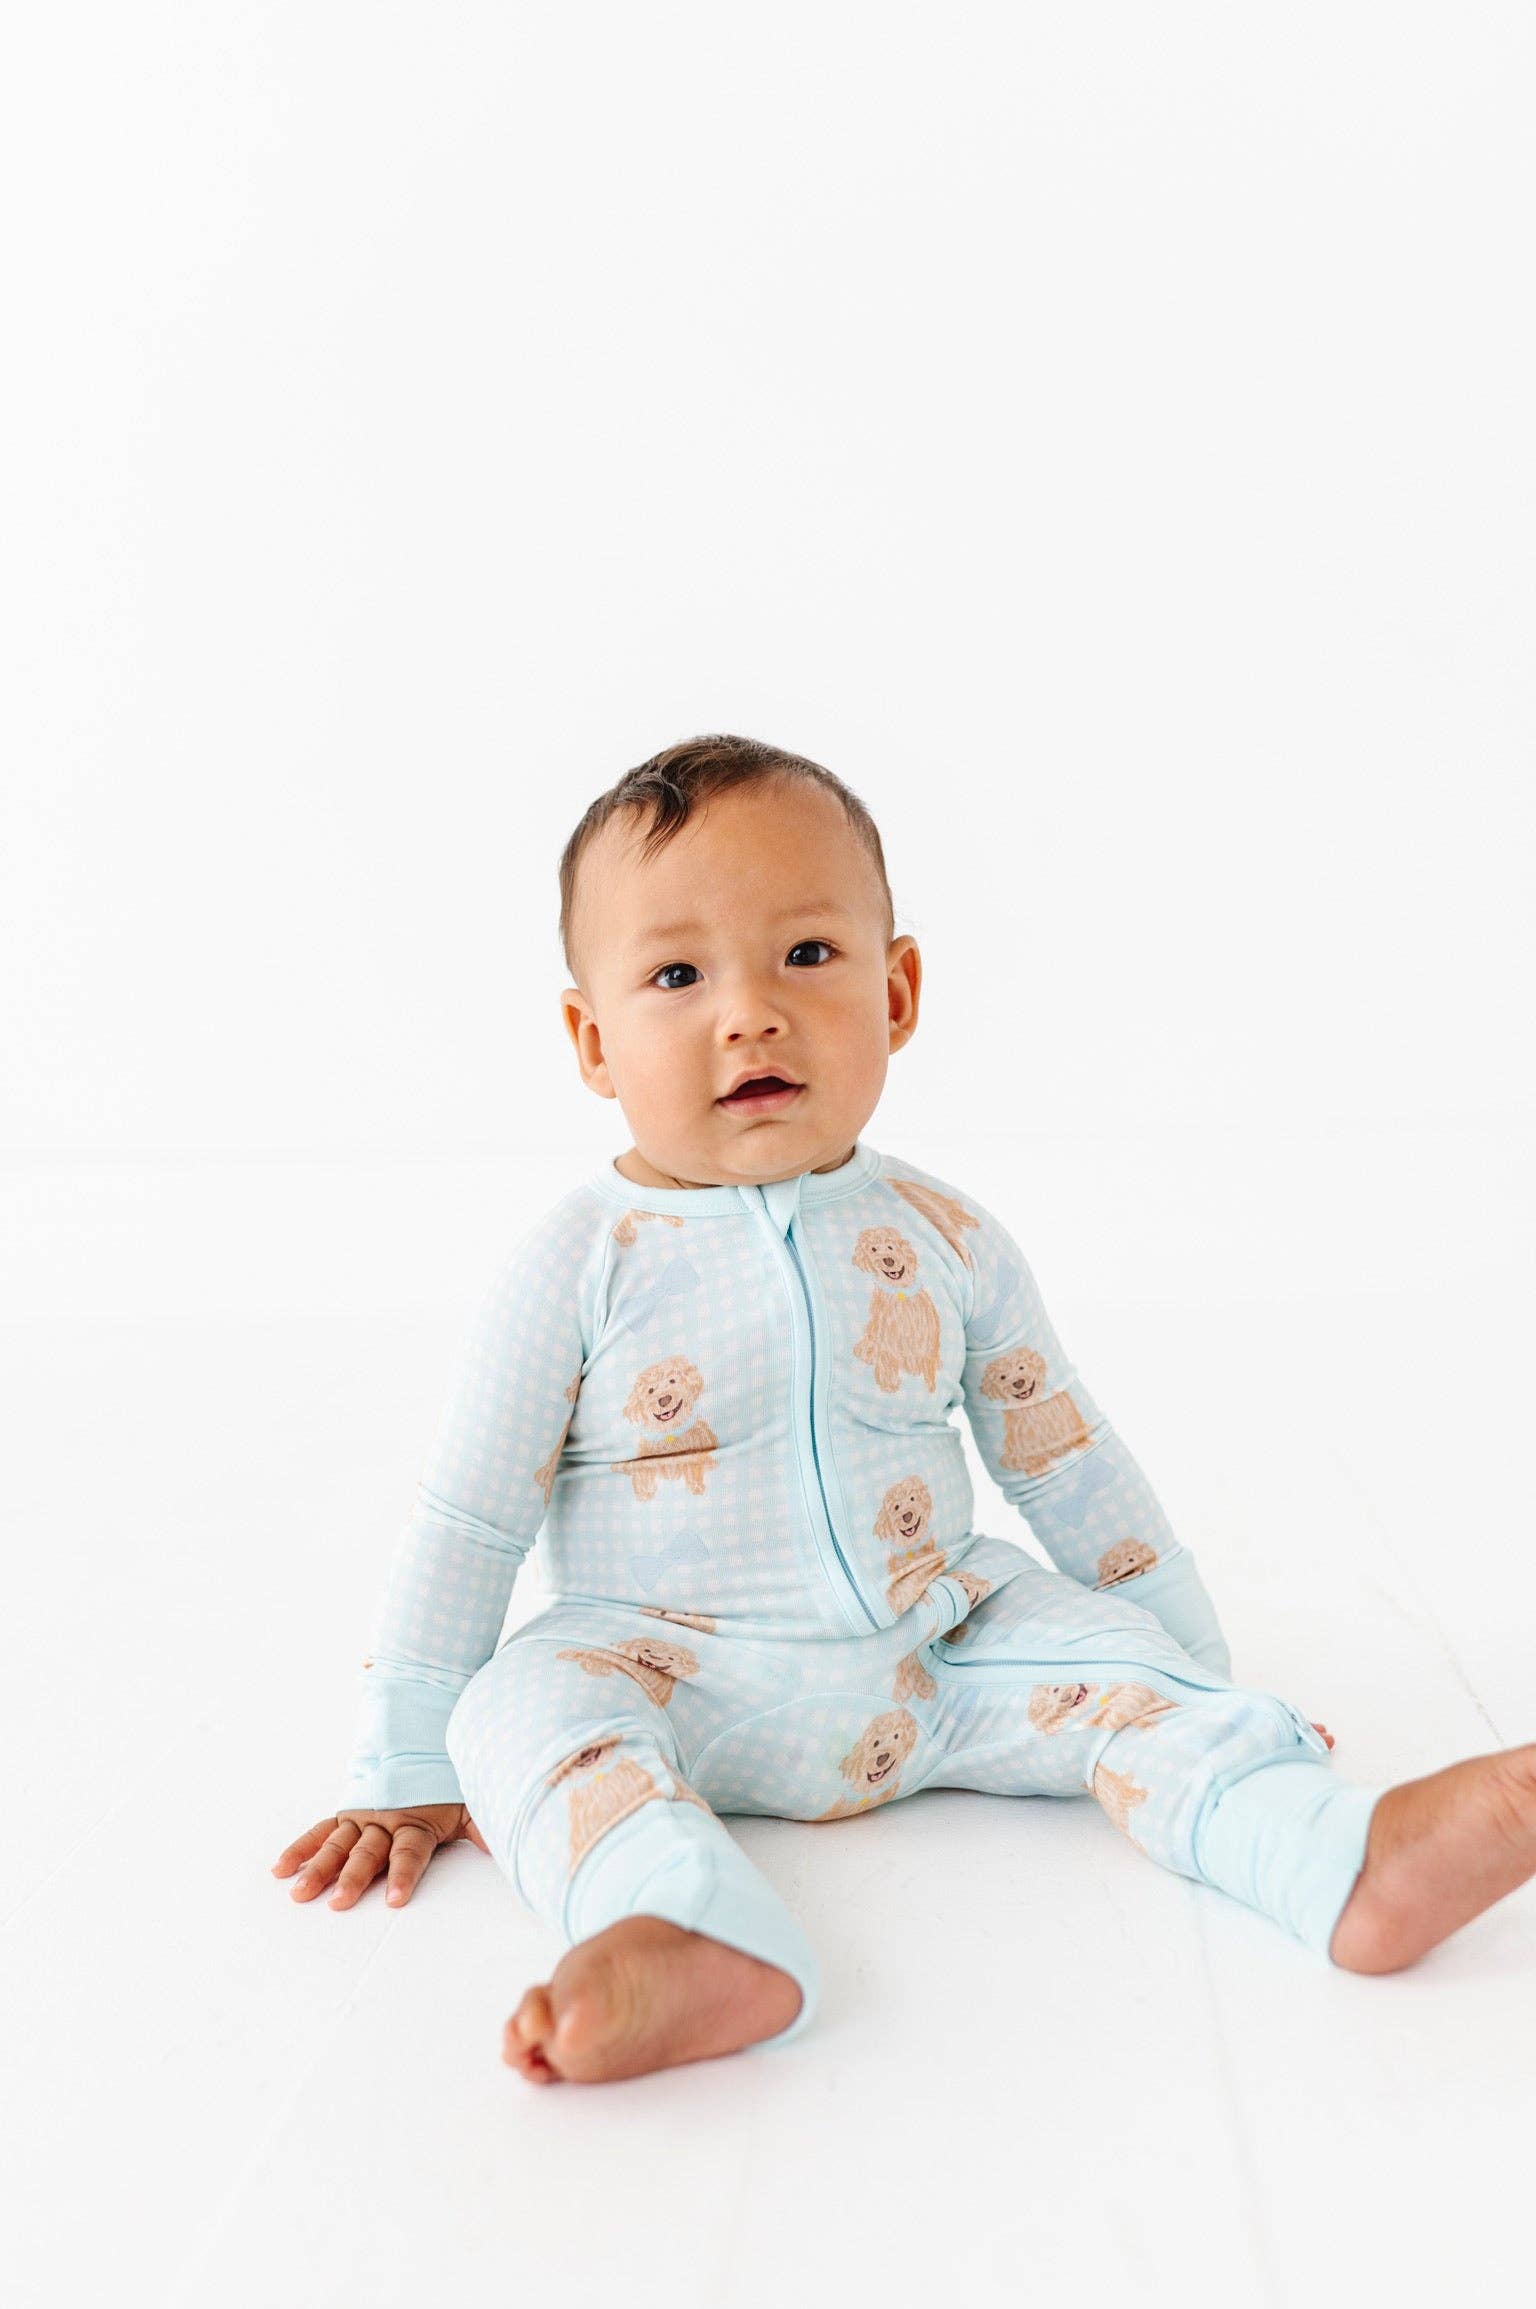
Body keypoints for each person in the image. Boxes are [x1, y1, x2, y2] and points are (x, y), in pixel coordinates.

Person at [271, 733, 1536, 2086]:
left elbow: (1063, 1458)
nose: (750, 1013)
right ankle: (678, 1923)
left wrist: (1188, 1675)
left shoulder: (946, 1235)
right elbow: (471, 1519)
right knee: (516, 1710)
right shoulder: (575, 1263)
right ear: (592, 1040)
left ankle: (1330, 1854)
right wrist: (406, 1759)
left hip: (937, 1650)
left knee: (1107, 1658)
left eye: (806, 954)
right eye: (679, 975)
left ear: (897, 991)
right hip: (662, 1667)